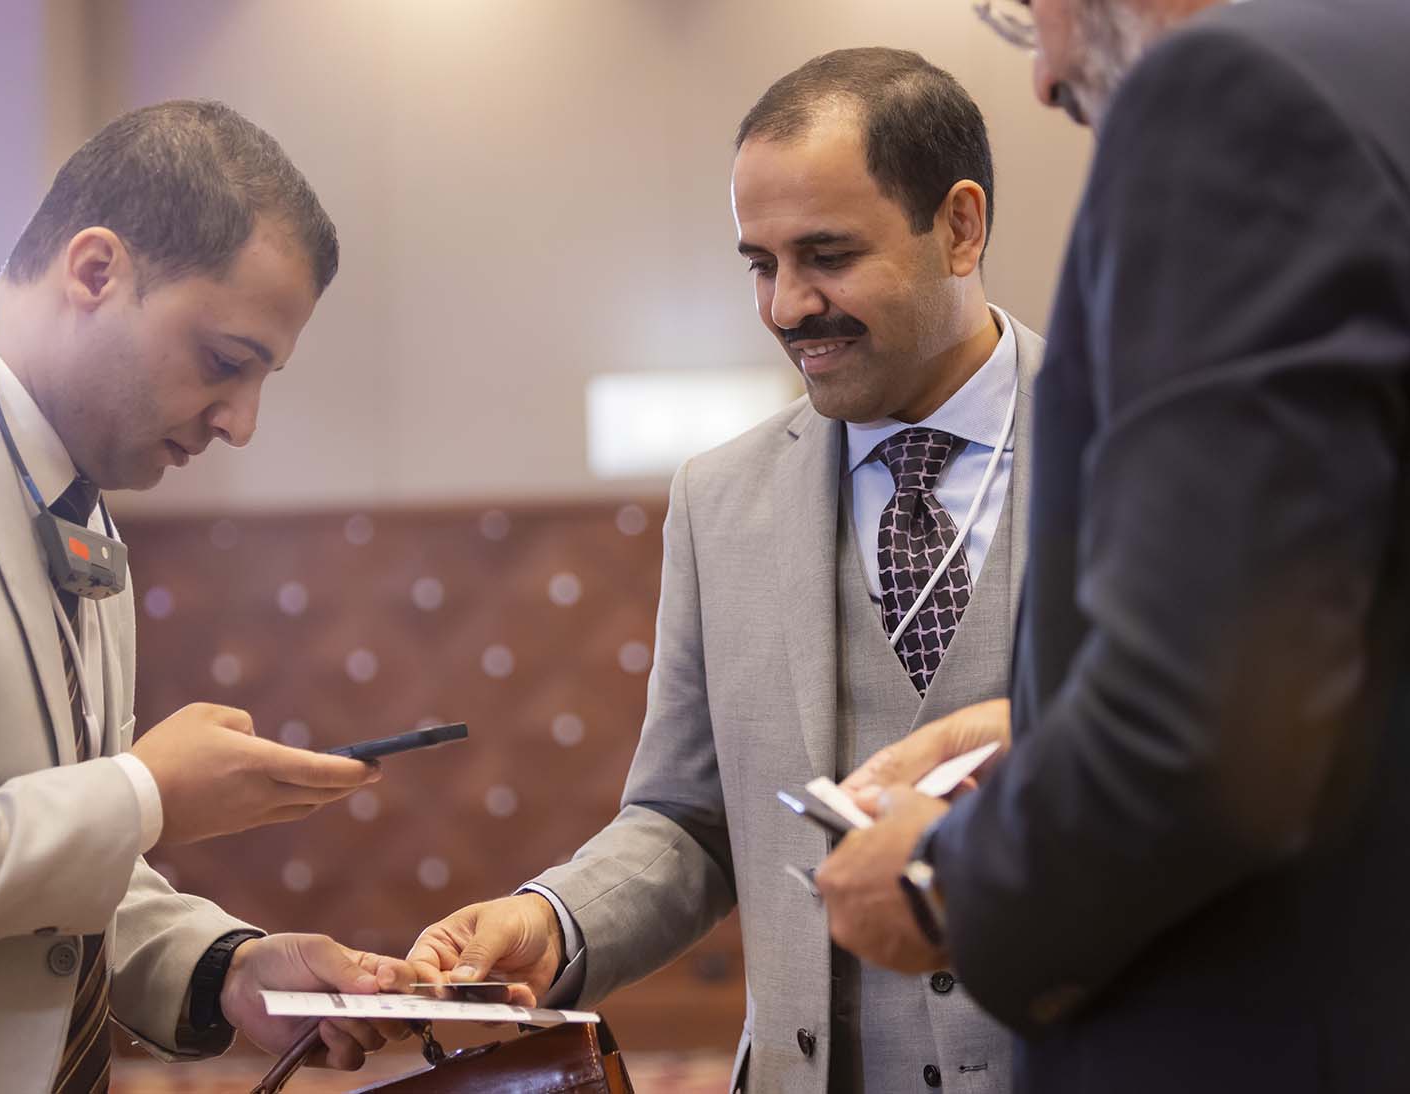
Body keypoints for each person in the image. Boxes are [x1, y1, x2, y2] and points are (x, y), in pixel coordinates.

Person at [816, 0, 1410, 1090]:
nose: (1045, 74)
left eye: (1033, 8)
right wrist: (1043, 728)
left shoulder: (1240, 98)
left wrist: (941, 878)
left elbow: (1199, 731)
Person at [409, 48, 1044, 1094]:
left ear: (960, 226)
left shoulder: (1136, 446)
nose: (787, 306)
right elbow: (690, 819)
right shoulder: (720, 499)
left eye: (827, 255)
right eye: (760, 263)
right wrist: (553, 918)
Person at [0, 100, 416, 1092]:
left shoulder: (80, 503)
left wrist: (228, 969)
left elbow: (58, 866)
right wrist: (145, 794)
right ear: (95, 270)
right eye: (225, 363)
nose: (241, 422)